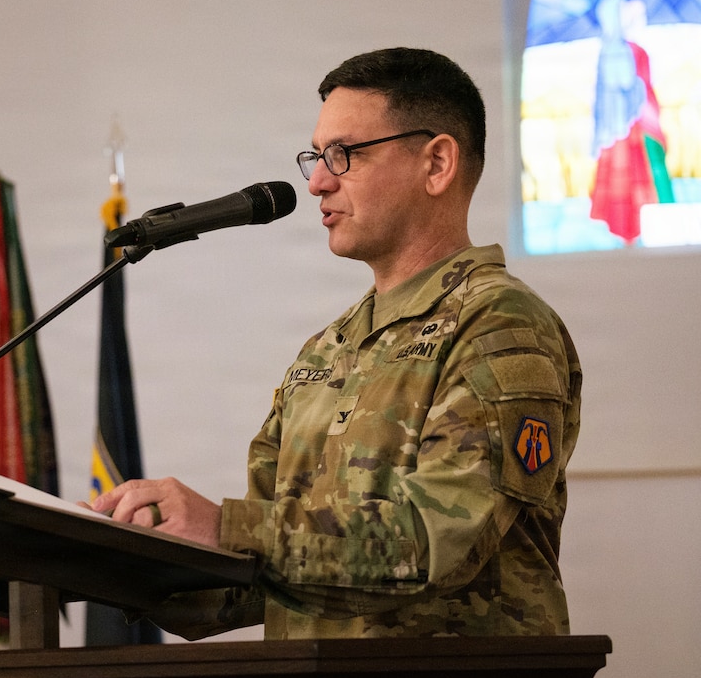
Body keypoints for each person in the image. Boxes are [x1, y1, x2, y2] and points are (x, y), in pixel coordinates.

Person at [90, 47, 582, 640]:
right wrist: (108, 561)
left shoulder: (502, 325)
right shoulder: (327, 350)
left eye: (343, 155)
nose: (318, 181)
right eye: (316, 157)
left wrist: (226, 527)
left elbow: (434, 542)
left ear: (437, 164)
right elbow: (256, 573)